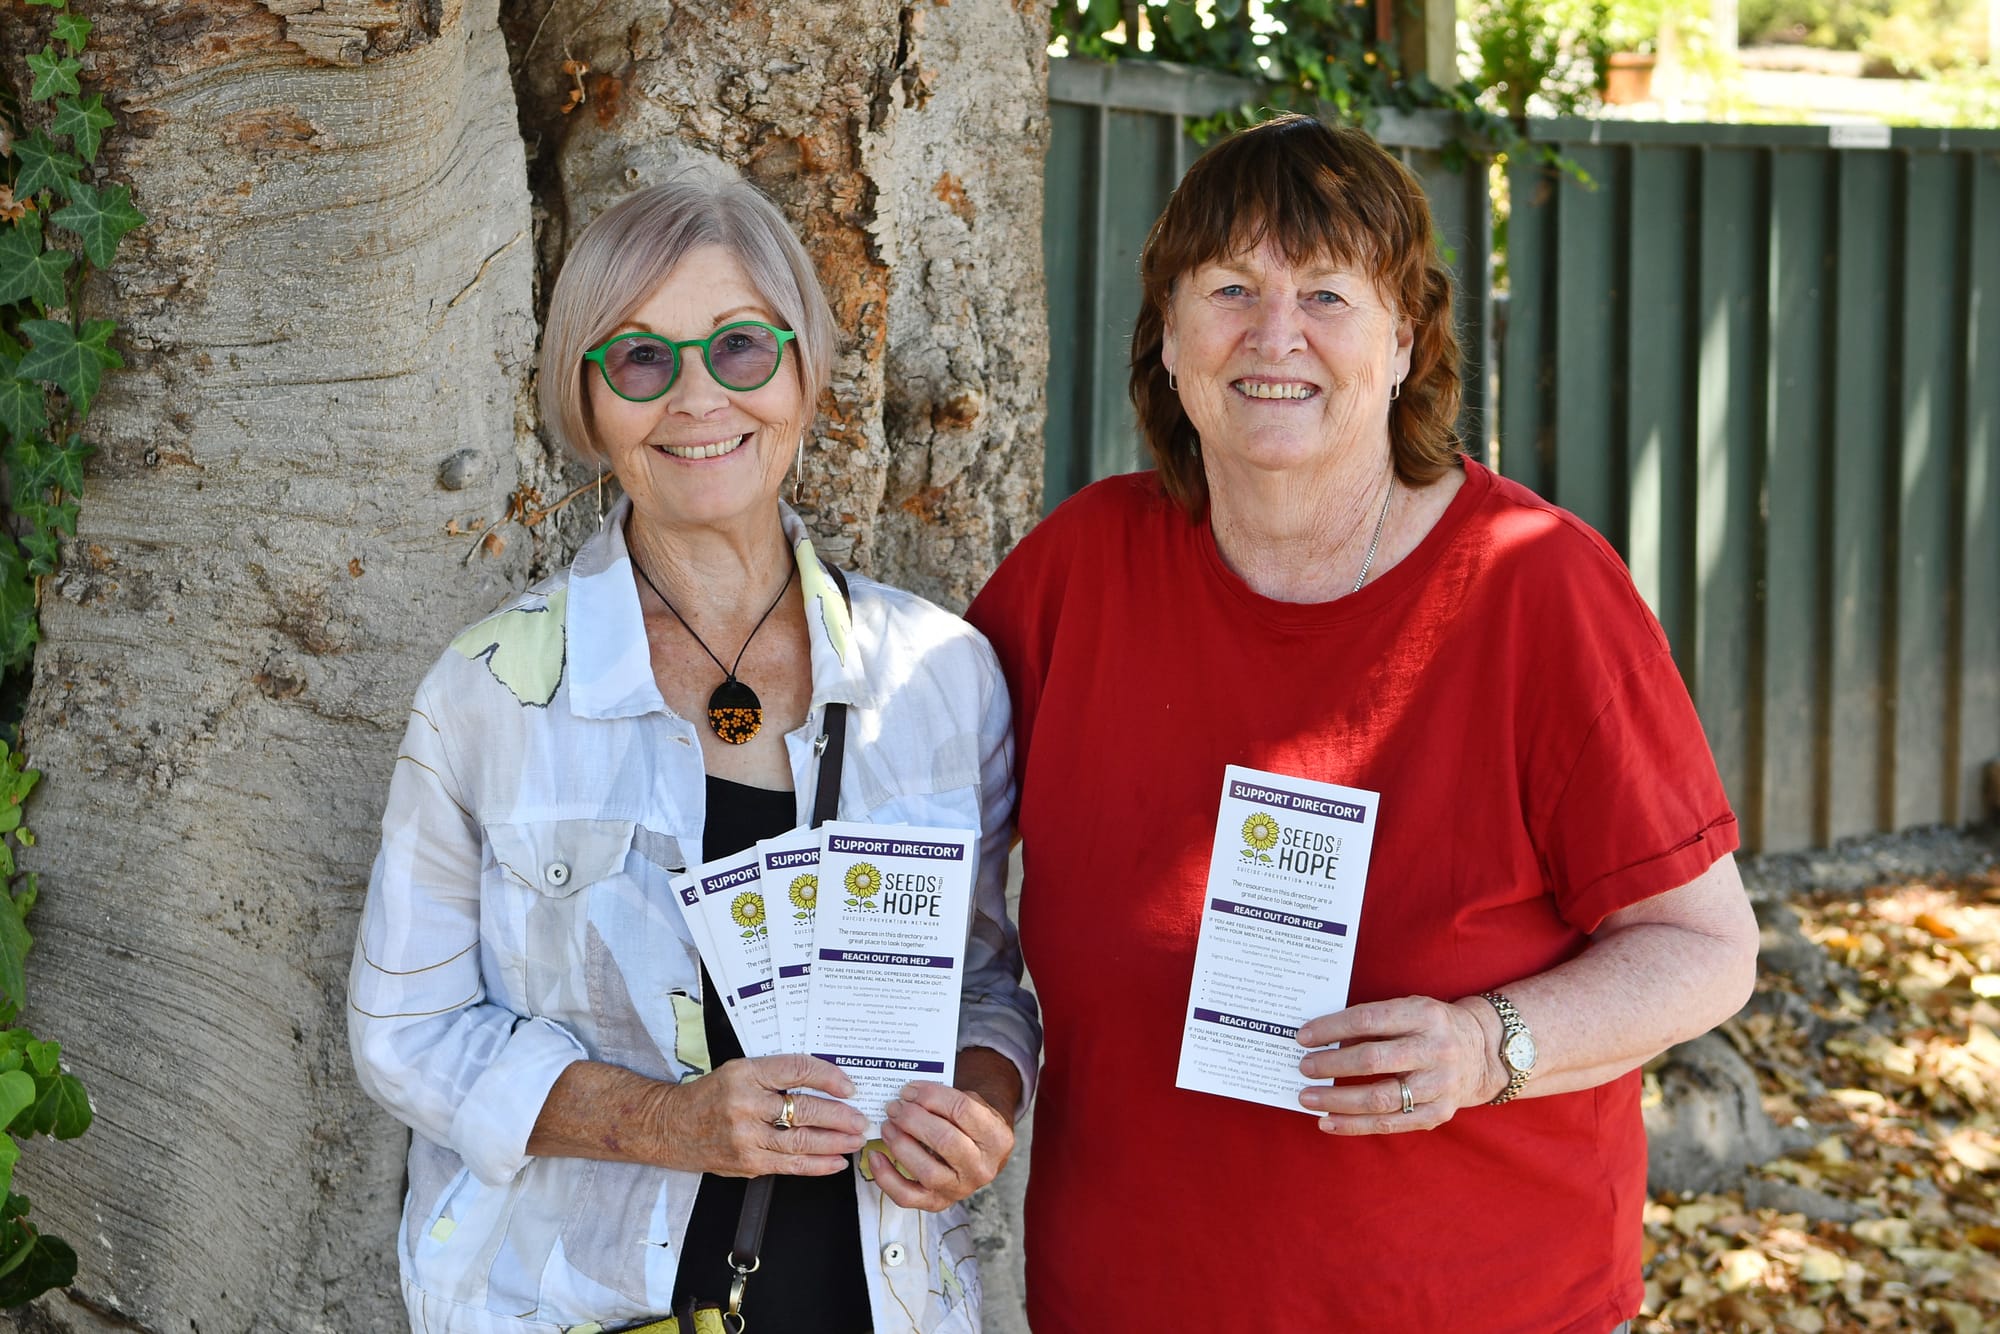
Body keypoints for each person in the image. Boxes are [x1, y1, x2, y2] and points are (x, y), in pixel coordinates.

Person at [965, 114, 1759, 1334]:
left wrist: (1484, 1043)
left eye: (1326, 293)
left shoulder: (1531, 585)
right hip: (1129, 1295)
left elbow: (1705, 946)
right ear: (1168, 338)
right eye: (1229, 286)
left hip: (1472, 1299)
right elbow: (919, 836)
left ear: (1402, 343)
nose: (1273, 333)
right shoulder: (1079, 570)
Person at [349, 171, 1039, 1334]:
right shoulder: (492, 694)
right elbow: (404, 1032)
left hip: (878, 1299)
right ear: (587, 398)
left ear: (803, 368)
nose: (695, 397)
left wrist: (978, 1103)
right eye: (639, 361)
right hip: (580, 1303)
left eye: (737, 346)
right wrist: (669, 1122)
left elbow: (986, 985)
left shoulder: (939, 675)